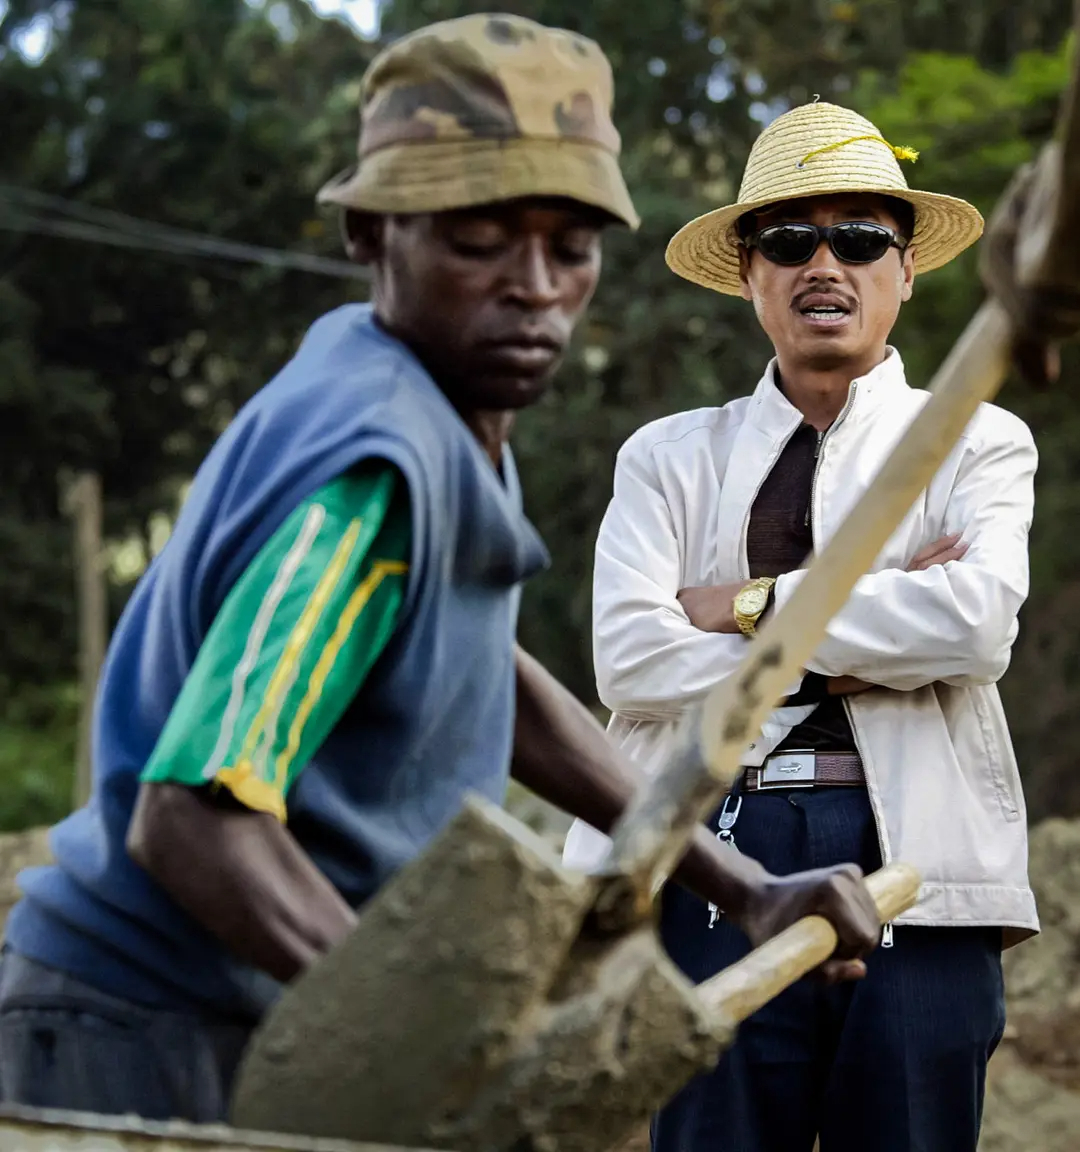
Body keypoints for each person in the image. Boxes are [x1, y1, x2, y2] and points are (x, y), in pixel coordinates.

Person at [0, 19, 879, 1124]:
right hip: (139, 1026)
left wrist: (740, 885)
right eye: (478, 241)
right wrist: (417, 1049)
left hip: (234, 1016)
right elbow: (192, 817)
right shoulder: (373, 466)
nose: (535, 289)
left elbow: (476, 667)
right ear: (374, 233)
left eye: (572, 248)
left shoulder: (428, 400)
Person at [564, 101, 1038, 1152]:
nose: (827, 263)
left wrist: (744, 606)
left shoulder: (979, 439)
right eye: (791, 240)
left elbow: (973, 627)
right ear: (749, 273)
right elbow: (630, 657)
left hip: (918, 860)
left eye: (862, 237)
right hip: (709, 852)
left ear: (906, 270)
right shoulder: (666, 458)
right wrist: (870, 643)